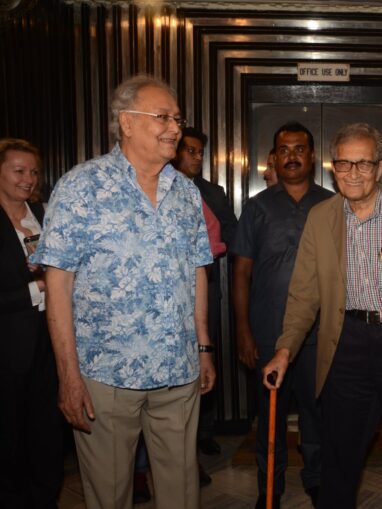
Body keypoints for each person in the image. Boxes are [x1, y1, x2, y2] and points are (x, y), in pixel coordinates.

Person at [31, 75, 216, 509]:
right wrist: (68, 375)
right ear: (126, 123)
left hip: (179, 371)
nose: (175, 127)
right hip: (106, 377)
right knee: (109, 495)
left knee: (182, 493)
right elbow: (57, 284)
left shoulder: (186, 193)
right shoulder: (82, 187)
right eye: (163, 117)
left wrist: (204, 347)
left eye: (178, 118)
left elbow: (198, 271)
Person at [263, 123, 382, 509]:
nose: (353, 173)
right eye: (343, 164)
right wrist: (285, 350)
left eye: (363, 164)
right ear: (331, 167)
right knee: (339, 455)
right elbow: (304, 292)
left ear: (381, 165)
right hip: (346, 343)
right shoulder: (321, 217)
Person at [232, 122, 331, 509]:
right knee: (269, 417)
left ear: (312, 156)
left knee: (316, 413)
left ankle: (318, 480)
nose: (292, 155)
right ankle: (268, 488)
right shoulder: (257, 208)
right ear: (273, 157)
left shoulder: (331, 204)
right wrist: (243, 331)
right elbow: (240, 272)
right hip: (268, 332)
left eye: (300, 148)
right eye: (284, 149)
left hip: (320, 332)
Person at [0, 138, 62, 508]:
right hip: (6, 353)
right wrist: (39, 289)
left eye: (34, 171)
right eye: (19, 170)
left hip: (49, 346)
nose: (28, 179)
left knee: (46, 438)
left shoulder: (45, 213)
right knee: (8, 443)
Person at [172, 126, 237, 457]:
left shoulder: (214, 192)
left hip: (205, 284)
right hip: (168, 289)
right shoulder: (160, 187)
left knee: (205, 351)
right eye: (190, 151)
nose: (196, 157)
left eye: (200, 152)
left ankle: (204, 431)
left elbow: (231, 232)